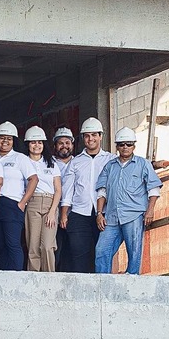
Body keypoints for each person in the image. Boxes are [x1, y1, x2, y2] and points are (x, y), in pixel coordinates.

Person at [93, 127, 163, 274]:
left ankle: (132, 281)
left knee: (134, 252)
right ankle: (101, 283)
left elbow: (154, 189)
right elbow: (102, 191)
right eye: (122, 144)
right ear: (117, 146)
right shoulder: (110, 166)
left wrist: (150, 211)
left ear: (134, 146)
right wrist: (99, 213)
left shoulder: (143, 164)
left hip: (134, 215)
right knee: (101, 250)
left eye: (129, 144)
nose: (125, 147)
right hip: (111, 217)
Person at [58, 116, 113, 274]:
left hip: (103, 214)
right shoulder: (75, 162)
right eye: (87, 136)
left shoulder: (110, 159)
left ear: (101, 136)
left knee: (101, 254)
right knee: (79, 255)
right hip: (79, 213)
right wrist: (64, 214)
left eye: (94, 135)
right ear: (83, 138)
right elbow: (68, 190)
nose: (91, 139)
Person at [0, 121, 31, 270]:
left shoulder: (20, 158)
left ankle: (16, 276)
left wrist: (22, 203)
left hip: (12, 204)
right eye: (2, 138)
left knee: (12, 243)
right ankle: (4, 276)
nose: (5, 141)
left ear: (14, 141)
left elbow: (33, 179)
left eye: (9, 138)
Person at [22, 124, 61, 273]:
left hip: (50, 203)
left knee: (47, 246)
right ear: (28, 144)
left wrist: (52, 212)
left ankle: (50, 280)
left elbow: (58, 190)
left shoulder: (51, 163)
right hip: (32, 203)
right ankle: (33, 281)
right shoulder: (23, 161)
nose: (36, 145)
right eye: (33, 142)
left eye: (39, 142)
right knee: (33, 246)